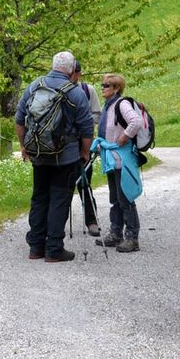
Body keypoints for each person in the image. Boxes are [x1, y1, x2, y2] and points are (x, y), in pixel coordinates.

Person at [15, 51, 94, 263]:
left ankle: (36, 247)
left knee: (39, 197)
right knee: (59, 199)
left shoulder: (34, 86)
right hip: (65, 156)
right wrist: (84, 153)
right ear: (70, 69)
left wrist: (24, 146)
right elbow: (87, 128)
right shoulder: (75, 93)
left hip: (39, 153)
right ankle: (54, 248)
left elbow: (20, 119)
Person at [94, 73, 144, 253]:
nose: (102, 88)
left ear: (116, 88)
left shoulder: (121, 104)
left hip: (122, 159)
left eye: (106, 85)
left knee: (125, 197)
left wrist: (124, 137)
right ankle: (116, 233)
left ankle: (132, 237)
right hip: (112, 158)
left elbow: (136, 122)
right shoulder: (109, 106)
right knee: (115, 198)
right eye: (102, 85)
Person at [71, 60, 102, 236]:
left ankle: (91, 220)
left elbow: (97, 114)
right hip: (63, 144)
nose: (73, 74)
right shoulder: (57, 89)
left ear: (79, 73)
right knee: (62, 185)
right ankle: (57, 223)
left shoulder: (87, 90)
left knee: (84, 182)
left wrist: (83, 122)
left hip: (84, 143)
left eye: (76, 71)